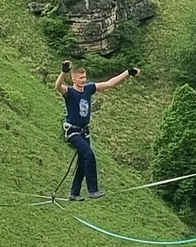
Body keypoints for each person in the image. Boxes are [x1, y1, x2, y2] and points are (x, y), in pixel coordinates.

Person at [56, 59, 139, 200]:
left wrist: (127, 72)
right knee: (89, 155)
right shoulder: (69, 92)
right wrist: (63, 72)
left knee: (83, 161)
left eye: (85, 77)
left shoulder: (88, 89)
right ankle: (93, 190)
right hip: (73, 131)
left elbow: (109, 83)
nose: (84, 80)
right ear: (74, 79)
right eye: (81, 78)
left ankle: (74, 193)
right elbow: (58, 86)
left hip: (84, 131)